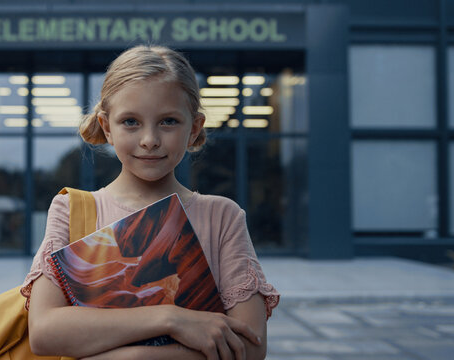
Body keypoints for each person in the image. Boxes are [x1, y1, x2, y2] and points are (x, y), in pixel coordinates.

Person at [21, 44, 280, 360]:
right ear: (107, 127)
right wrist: (171, 319)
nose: (149, 139)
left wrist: (130, 356)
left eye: (168, 121)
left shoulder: (221, 217)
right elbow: (45, 332)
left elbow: (250, 347)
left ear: (194, 127)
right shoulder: (71, 210)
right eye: (130, 121)